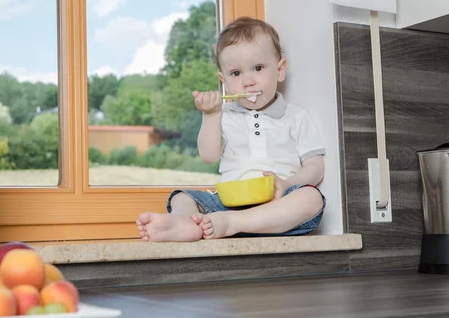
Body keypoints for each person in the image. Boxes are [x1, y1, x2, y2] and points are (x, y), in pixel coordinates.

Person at [136, 17, 327, 242]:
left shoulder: (296, 117)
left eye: (258, 68)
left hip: (277, 206)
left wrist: (286, 184)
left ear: (280, 70)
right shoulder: (223, 115)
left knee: (311, 198)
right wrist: (211, 115)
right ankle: (186, 225)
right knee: (182, 197)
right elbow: (208, 156)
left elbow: (315, 168)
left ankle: (231, 224)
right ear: (224, 80)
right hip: (226, 204)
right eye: (236, 73)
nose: (248, 81)